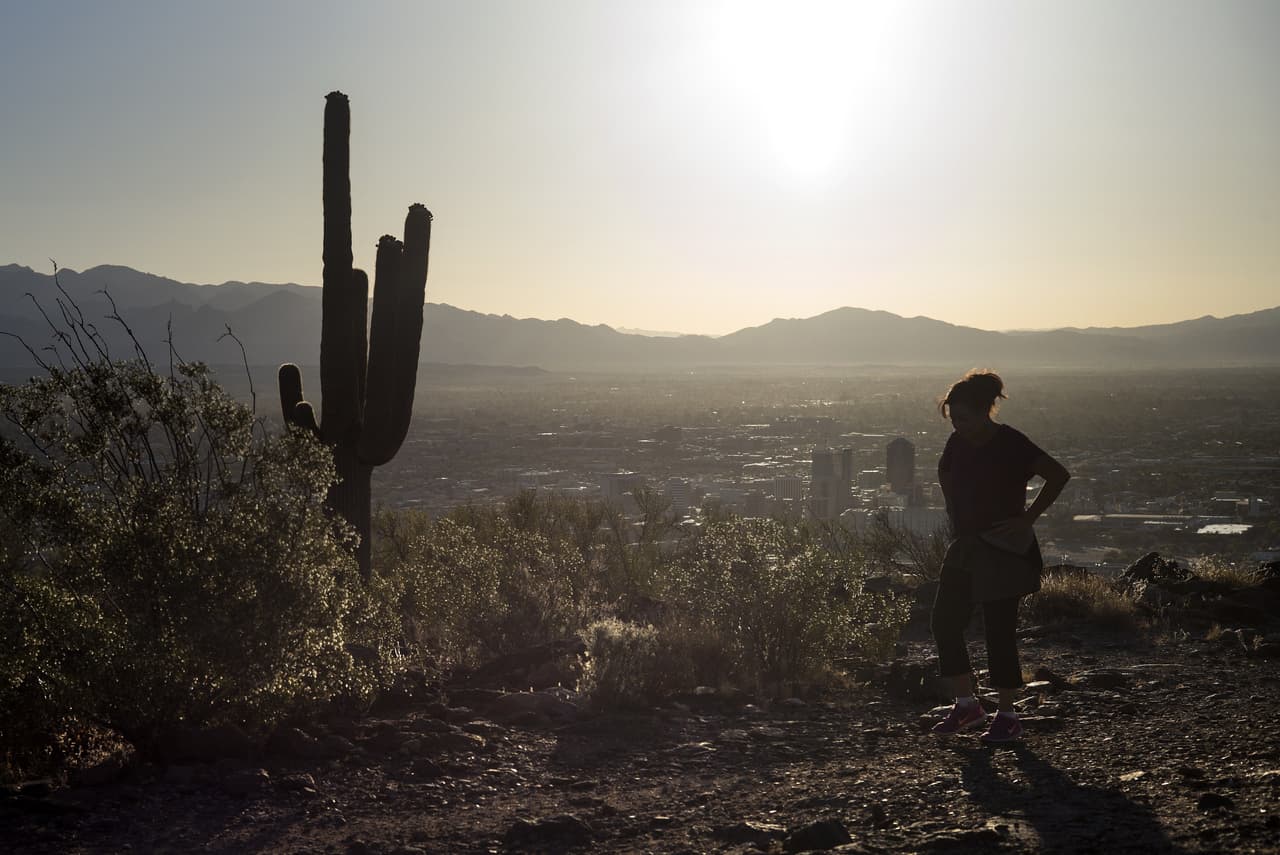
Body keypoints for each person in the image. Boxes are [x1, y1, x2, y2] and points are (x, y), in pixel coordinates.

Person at [929, 370, 1070, 743]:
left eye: (964, 418)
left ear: (984, 411)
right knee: (944, 621)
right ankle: (967, 705)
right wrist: (955, 512)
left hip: (1003, 550)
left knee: (999, 631)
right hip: (966, 546)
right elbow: (943, 472)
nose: (958, 426)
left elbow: (1057, 475)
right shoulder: (957, 443)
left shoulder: (1011, 443)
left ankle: (1007, 714)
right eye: (953, 419)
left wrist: (1027, 519)